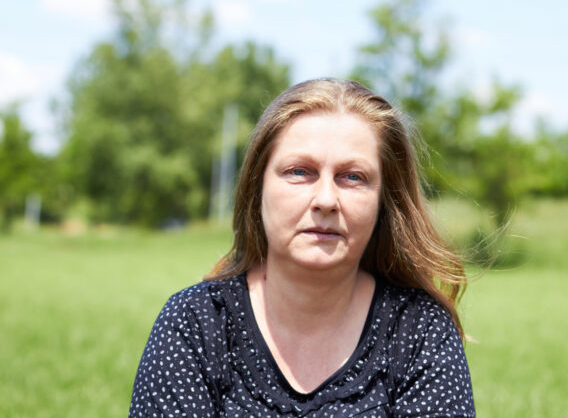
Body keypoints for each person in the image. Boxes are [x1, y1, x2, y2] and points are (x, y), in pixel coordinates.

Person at [129, 78, 475, 417]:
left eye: (352, 176)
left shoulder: (419, 330)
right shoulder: (195, 323)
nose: (326, 200)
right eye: (299, 172)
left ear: (384, 201)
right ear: (257, 187)